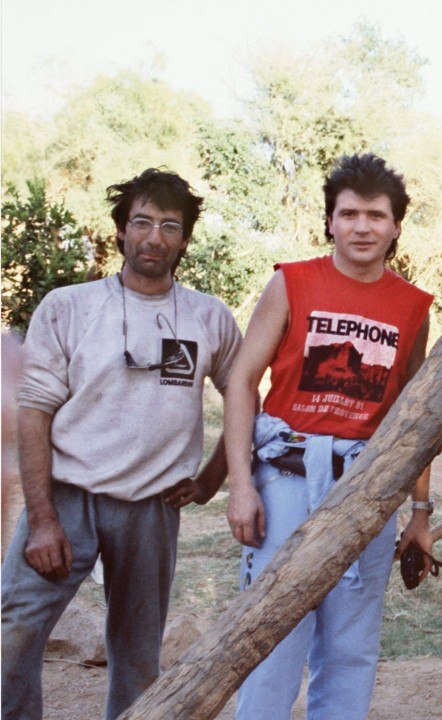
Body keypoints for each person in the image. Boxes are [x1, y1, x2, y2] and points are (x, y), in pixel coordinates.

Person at [2, 169, 242, 719]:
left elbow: (243, 397)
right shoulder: (70, 306)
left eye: (168, 226)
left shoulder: (209, 317)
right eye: (141, 222)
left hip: (152, 508)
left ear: (184, 240)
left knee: (137, 654)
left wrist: (212, 478)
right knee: (14, 629)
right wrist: (41, 518)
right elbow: (33, 410)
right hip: (67, 498)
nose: (153, 237)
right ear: (119, 233)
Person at [223, 153, 435, 718]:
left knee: (350, 646)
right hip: (288, 479)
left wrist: (419, 512)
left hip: (368, 488)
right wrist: (241, 485)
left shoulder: (413, 307)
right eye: (348, 214)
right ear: (330, 221)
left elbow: (416, 416)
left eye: (375, 215)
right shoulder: (291, 282)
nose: (361, 227)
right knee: (271, 635)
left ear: (395, 226)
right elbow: (243, 380)